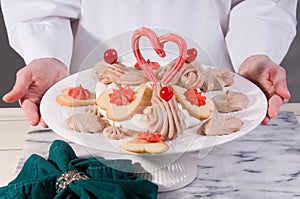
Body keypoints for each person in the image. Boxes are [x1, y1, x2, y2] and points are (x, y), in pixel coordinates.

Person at [1, 0, 297, 127]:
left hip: (213, 100)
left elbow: (261, 3)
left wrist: (256, 51)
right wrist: (45, 53)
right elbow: (39, 5)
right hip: (94, 103)